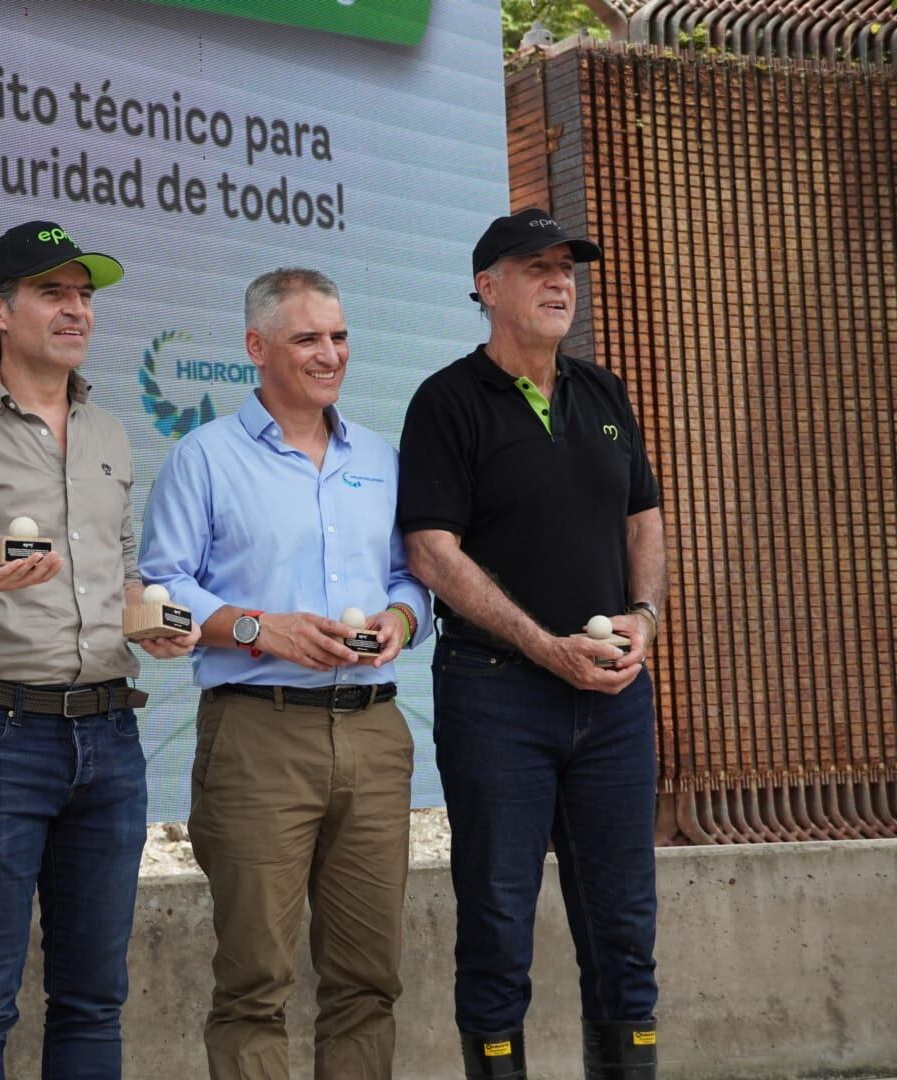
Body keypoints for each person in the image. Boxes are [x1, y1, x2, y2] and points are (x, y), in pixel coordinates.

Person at [0, 220, 198, 1080]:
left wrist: (153, 621)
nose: (77, 311)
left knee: (95, 1001)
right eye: (52, 293)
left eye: (85, 296)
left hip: (110, 740)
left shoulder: (108, 434)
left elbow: (127, 572)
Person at [138, 268, 433, 1080]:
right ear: (254, 348)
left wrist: (399, 621)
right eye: (307, 338)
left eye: (338, 336)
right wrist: (263, 630)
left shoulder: (381, 456)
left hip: (374, 734)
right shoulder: (202, 457)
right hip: (257, 733)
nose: (329, 353)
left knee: (368, 980)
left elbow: (412, 577)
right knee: (253, 986)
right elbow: (161, 590)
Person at [397, 208, 665, 1079]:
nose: (560, 282)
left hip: (615, 701)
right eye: (537, 267)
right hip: (497, 694)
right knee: (498, 928)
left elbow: (644, 518)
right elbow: (432, 553)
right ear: (487, 287)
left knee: (624, 930)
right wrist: (544, 646)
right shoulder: (445, 401)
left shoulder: (603, 391)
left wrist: (646, 618)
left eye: (567, 268)